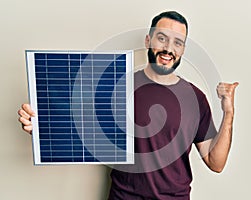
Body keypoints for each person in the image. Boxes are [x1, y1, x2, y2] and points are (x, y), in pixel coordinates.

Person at [18, 11, 238, 200]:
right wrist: (38, 124)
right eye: (162, 38)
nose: (168, 48)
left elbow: (215, 162)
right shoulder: (117, 87)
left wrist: (228, 113)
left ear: (182, 50)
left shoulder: (195, 98)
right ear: (147, 41)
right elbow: (77, 126)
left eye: (177, 42)